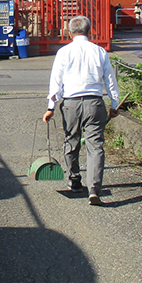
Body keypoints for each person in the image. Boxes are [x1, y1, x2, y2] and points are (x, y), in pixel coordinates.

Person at [42, 15, 120, 206]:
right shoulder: (99, 51)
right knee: (95, 146)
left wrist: (51, 107)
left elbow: (56, 81)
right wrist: (114, 104)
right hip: (94, 102)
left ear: (70, 32)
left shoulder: (63, 52)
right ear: (89, 31)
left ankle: (74, 179)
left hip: (70, 103)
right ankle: (94, 189)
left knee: (71, 140)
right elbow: (110, 79)